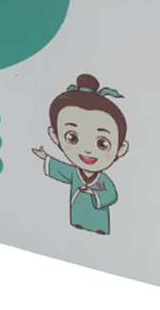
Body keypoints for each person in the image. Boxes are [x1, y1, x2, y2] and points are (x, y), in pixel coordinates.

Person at [32, 74, 130, 234]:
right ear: (55, 136)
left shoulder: (102, 180)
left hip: (98, 214)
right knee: (77, 223)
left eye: (102, 143)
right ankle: (78, 224)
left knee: (98, 226)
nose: (87, 150)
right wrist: (45, 158)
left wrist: (95, 194)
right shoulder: (74, 173)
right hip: (78, 212)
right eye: (72, 138)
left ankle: (99, 229)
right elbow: (60, 168)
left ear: (121, 148)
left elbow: (111, 195)